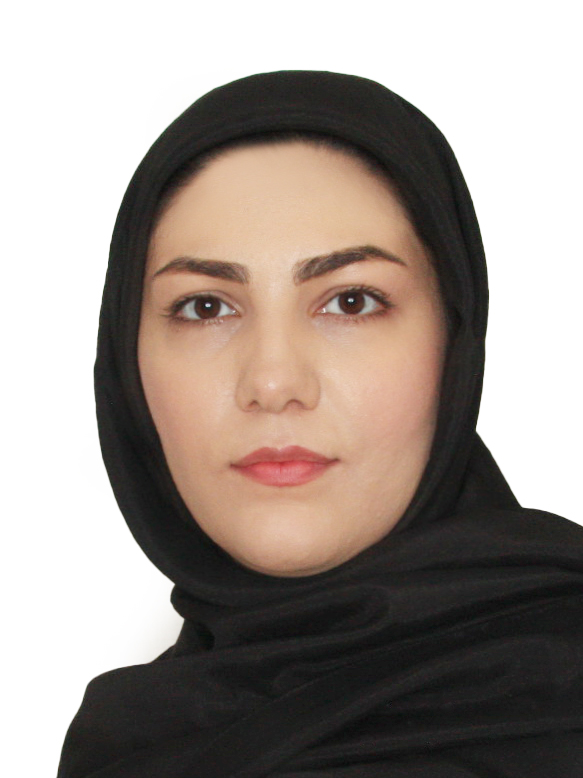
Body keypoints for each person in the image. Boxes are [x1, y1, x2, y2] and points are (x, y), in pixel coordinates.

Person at [57, 71, 583, 777]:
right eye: (206, 307)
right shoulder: (130, 743)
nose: (273, 382)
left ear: (453, 344)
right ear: (127, 361)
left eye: (351, 302)